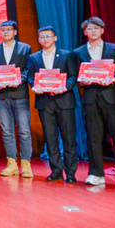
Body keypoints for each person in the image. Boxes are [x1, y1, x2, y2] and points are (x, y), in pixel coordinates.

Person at [74, 17, 115, 188]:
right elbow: (77, 74)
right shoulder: (78, 52)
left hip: (112, 98)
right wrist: (82, 80)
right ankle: (95, 173)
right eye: (89, 28)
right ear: (85, 32)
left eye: (96, 28)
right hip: (91, 99)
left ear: (102, 30)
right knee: (93, 137)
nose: (93, 31)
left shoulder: (114, 49)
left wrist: (112, 79)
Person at [27, 27, 79, 183]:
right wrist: (35, 86)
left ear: (55, 38)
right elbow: (30, 77)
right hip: (45, 102)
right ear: (38, 40)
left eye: (48, 36)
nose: (45, 39)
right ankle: (56, 171)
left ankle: (71, 173)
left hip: (64, 101)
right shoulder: (33, 57)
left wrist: (65, 87)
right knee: (51, 139)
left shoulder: (67, 55)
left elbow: (73, 76)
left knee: (69, 138)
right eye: (42, 37)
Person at [0, 21, 33, 178]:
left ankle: (26, 164)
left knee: (24, 131)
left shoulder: (25, 48)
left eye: (9, 30)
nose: (5, 32)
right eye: (3, 30)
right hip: (1, 96)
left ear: (15, 32)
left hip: (19, 94)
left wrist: (19, 79)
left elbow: (28, 69)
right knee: (7, 131)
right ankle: (11, 163)